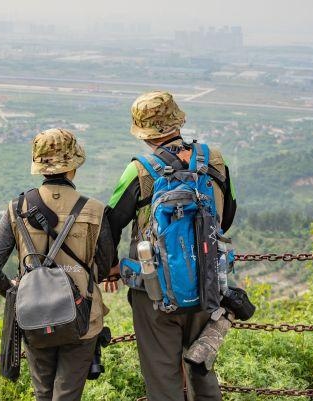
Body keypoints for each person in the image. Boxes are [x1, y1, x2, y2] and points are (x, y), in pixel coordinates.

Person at [105, 92, 237, 401]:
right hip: (208, 284)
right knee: (202, 367)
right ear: (177, 121)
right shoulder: (214, 160)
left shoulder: (140, 170)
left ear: (143, 131)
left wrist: (110, 265)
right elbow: (226, 217)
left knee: (162, 377)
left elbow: (110, 225)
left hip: (154, 291)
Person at [0, 128, 115, 401]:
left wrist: (17, 291)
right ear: (73, 167)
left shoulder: (17, 208)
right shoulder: (95, 210)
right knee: (67, 395)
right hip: (83, 316)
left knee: (43, 394)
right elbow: (105, 263)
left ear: (39, 166)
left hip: (34, 314)